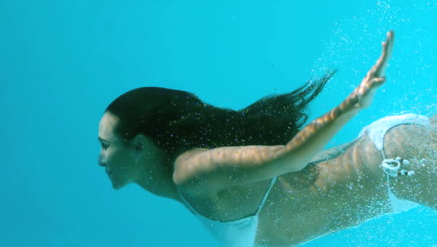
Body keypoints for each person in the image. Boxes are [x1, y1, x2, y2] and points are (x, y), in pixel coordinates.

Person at [97, 31, 436, 247]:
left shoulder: (190, 172)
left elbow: (291, 157)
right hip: (393, 164)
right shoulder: (190, 193)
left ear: (139, 145)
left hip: (395, 163)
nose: (100, 159)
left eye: (105, 145)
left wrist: (349, 106)